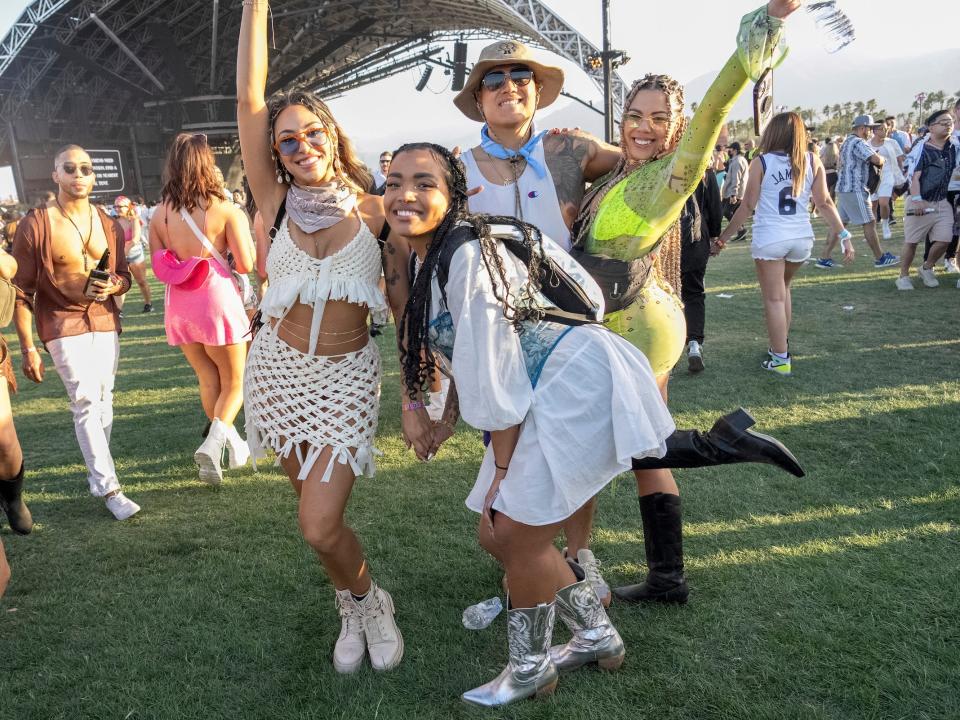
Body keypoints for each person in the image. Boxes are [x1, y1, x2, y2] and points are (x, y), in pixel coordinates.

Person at [389, 143, 803, 706]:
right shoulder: (433, 256)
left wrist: (502, 470)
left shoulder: (464, 256)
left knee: (511, 529)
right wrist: (444, 420)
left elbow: (496, 366)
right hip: (544, 384)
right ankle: (593, 634)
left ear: (454, 195)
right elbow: (473, 352)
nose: (404, 194)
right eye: (393, 181)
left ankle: (530, 666)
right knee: (497, 533)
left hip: (566, 381)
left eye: (423, 182)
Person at [572, 0, 804, 603]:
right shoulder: (617, 175)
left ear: (678, 130)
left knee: (623, 443)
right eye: (633, 114)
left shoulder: (672, 173)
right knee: (646, 451)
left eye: (659, 118)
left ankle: (723, 442)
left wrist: (768, 26)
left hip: (638, 326)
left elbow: (713, 112)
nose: (643, 126)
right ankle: (668, 579)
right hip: (639, 315)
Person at [237, 0, 407, 674]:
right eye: (287, 140)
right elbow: (250, 97)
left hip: (344, 378)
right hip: (275, 374)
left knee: (319, 522)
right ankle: (356, 602)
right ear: (275, 151)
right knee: (312, 515)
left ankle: (372, 599)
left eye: (312, 133)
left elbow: (404, 305)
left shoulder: (376, 211)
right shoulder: (272, 203)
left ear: (332, 136)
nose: (301, 146)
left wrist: (427, 393)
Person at [450, 37, 622, 602]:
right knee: (509, 447)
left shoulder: (570, 149)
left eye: (520, 74)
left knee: (574, 446)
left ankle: (578, 554)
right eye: (493, 80)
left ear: (537, 89)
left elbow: (644, 162)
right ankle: (532, 555)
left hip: (568, 328)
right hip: (496, 336)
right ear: (478, 98)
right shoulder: (456, 169)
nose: (508, 86)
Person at [12, 145, 139, 520]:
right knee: (84, 400)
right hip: (60, 322)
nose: (78, 174)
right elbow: (20, 291)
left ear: (93, 176)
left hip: (103, 319)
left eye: (85, 168)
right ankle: (111, 488)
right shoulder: (36, 224)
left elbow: (125, 277)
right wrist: (28, 348)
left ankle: (98, 476)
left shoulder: (108, 223)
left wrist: (114, 285)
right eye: (69, 168)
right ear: (56, 175)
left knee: (105, 398)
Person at [149, 134, 254, 483]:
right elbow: (246, 263)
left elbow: (158, 261)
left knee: (208, 378)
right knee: (235, 381)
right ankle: (213, 444)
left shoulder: (159, 213)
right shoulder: (224, 209)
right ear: (207, 164)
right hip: (215, 297)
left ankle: (230, 444)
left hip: (179, 302)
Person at [716, 112, 851, 374]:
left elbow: (747, 206)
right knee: (784, 290)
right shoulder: (812, 160)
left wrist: (723, 238)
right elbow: (824, 202)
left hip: (771, 238)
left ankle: (780, 358)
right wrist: (844, 235)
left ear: (773, 133)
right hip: (801, 239)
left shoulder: (761, 162)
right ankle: (781, 346)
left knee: (774, 299)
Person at [817, 115, 898, 269]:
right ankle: (880, 258)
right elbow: (876, 159)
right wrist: (882, 159)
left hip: (844, 188)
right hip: (855, 189)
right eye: (870, 128)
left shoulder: (847, 141)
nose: (871, 132)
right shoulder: (859, 142)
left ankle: (824, 257)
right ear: (862, 128)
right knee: (869, 222)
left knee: (838, 224)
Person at [895, 109, 957, 290]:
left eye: (950, 122)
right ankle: (903, 276)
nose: (948, 125)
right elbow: (914, 176)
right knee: (912, 242)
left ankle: (927, 267)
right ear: (931, 126)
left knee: (946, 239)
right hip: (920, 201)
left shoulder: (954, 147)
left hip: (942, 201)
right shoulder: (922, 148)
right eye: (943, 122)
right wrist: (917, 199)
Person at [681, 167, 722, 372]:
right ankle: (695, 342)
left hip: (665, 238)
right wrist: (715, 235)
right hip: (696, 237)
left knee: (664, 295)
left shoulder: (661, 162)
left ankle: (668, 348)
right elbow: (715, 206)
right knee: (694, 293)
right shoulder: (705, 168)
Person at [113, 196, 153, 312]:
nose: (117, 209)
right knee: (120, 283)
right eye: (115, 206)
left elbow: (135, 239)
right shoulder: (114, 221)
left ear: (128, 207)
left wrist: (123, 252)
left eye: (120, 206)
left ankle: (148, 304)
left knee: (141, 281)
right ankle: (118, 310)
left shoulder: (134, 220)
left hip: (135, 254)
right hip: (120, 255)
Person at [867, 124, 905, 240]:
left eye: (886, 129)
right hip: (872, 177)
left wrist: (901, 172)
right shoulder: (867, 144)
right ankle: (872, 231)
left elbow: (899, 159)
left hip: (888, 174)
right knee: (872, 205)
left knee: (883, 203)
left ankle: (885, 224)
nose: (886, 131)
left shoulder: (892, 142)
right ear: (875, 131)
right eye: (882, 129)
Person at [721, 141, 750, 241]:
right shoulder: (739, 160)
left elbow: (736, 178)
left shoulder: (737, 161)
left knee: (726, 212)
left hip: (735, 192)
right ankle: (741, 232)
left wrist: (733, 194)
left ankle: (741, 230)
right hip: (739, 191)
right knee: (735, 212)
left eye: (730, 149)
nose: (729, 150)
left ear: (735, 150)